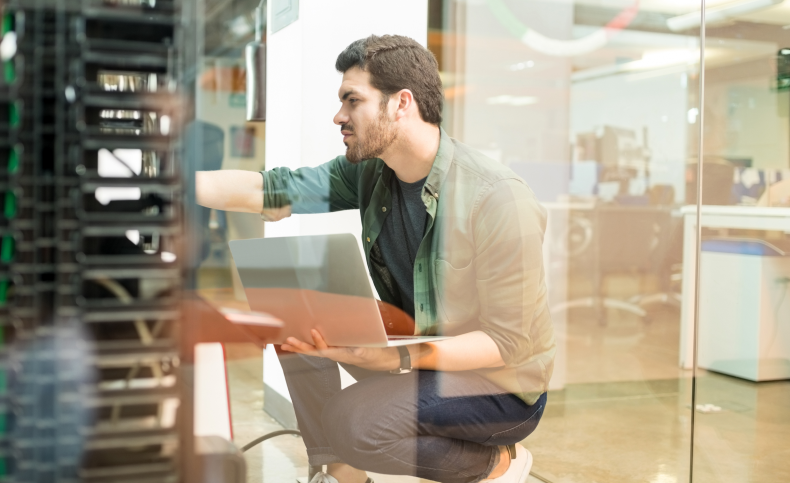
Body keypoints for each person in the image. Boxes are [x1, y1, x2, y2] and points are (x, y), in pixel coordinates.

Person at [196, 34, 555, 483]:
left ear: (401, 103)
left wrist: (394, 361)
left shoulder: (497, 198)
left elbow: (507, 344)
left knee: (355, 423)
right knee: (296, 320)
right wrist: (164, 186)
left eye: (352, 100)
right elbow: (268, 189)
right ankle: (340, 473)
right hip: (420, 350)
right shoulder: (371, 171)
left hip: (501, 388)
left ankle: (498, 462)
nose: (339, 116)